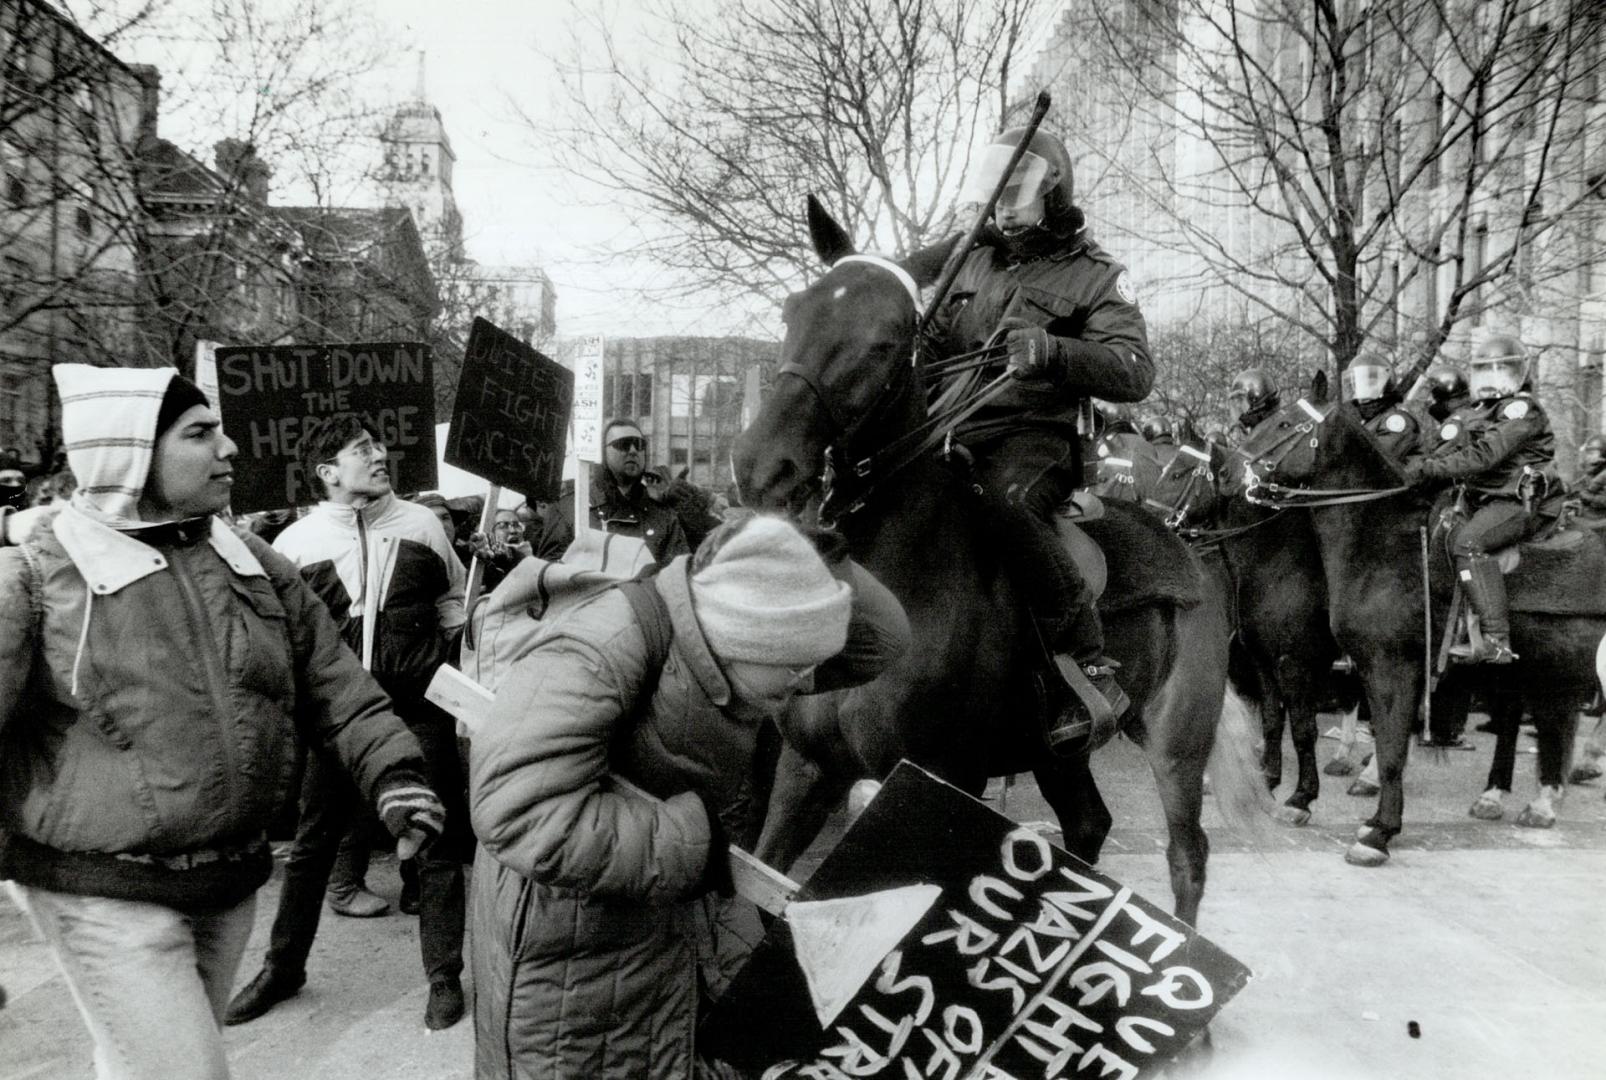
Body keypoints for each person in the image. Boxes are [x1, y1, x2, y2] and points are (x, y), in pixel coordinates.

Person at [0, 365, 445, 1080]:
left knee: (143, 1062)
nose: (230, 448)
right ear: (130, 453)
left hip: (226, 884)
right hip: (99, 890)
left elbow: (336, 684)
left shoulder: (253, 562)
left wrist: (396, 774)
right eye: (200, 433)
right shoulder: (34, 573)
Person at [467, 513, 910, 1079]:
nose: (807, 685)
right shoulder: (605, 645)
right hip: (575, 958)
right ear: (743, 640)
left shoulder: (736, 642)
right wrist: (693, 844)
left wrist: (800, 547)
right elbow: (518, 810)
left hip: (668, 922)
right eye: (795, 670)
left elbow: (883, 641)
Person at [228, 415, 472, 1030]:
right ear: (327, 472)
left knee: (435, 840)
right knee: (313, 846)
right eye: (362, 449)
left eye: (380, 445)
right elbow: (277, 636)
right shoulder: (295, 545)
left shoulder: (422, 525)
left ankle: (443, 979)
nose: (380, 454)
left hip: (419, 711)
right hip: (336, 718)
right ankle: (283, 969)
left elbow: (452, 603)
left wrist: (446, 659)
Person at [930, 124, 1152, 753]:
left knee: (1005, 500)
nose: (1003, 202)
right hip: (955, 425)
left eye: (1017, 189)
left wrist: (1053, 350)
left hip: (1037, 439)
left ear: (1051, 193)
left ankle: (1087, 659)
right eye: (997, 188)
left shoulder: (1096, 274)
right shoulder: (971, 255)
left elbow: (1135, 369)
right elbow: (934, 338)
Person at [1405, 335, 1562, 663]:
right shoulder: (1487, 411)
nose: (1492, 381)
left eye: (1501, 372)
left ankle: (1496, 639)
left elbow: (1486, 455)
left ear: (1520, 373)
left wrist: (1431, 468)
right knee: (1439, 534)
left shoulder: (1523, 408)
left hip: (1520, 503)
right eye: (1485, 373)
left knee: (1469, 542)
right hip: (1486, 499)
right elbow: (1460, 446)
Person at [590, 418, 689, 564]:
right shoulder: (575, 508)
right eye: (623, 444)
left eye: (639, 445)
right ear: (603, 452)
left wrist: (690, 516)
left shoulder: (664, 516)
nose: (633, 451)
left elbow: (677, 577)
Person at [1343, 355, 1420, 463]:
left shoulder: (1398, 420)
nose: (1358, 387)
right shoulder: (1364, 417)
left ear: (1384, 386)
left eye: (1368, 383)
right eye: (1356, 382)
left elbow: (1374, 461)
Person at [1228, 368, 1281, 439]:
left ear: (1257, 400)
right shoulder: (1255, 432)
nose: (1238, 405)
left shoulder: (1275, 432)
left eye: (1240, 400)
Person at [1573, 434, 1606, 525]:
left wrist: (1587, 497)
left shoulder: (1603, 473)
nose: (1588, 456)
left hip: (1600, 520)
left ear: (1603, 453)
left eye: (1591, 453)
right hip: (1593, 516)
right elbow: (1576, 487)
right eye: (1587, 453)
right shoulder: (1594, 471)